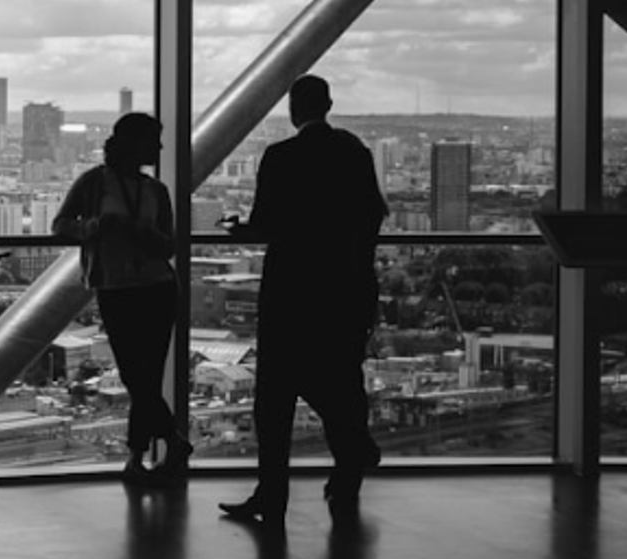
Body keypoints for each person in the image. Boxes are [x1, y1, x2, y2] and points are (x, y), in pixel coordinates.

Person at [220, 75, 387, 527]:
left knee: (274, 399)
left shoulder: (281, 157)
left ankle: (272, 495)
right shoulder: (355, 153)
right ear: (329, 104)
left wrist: (239, 231)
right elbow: (374, 215)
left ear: (294, 110)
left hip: (291, 292)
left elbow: (266, 226)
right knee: (341, 379)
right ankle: (348, 468)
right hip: (345, 290)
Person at [53, 112, 190, 486]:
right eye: (154, 139)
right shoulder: (94, 183)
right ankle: (171, 442)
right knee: (138, 376)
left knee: (142, 376)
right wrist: (97, 227)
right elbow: (62, 225)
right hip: (121, 287)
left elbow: (169, 245)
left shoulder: (155, 190)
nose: (160, 147)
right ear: (134, 143)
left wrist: (140, 232)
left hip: (154, 287)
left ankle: (137, 458)